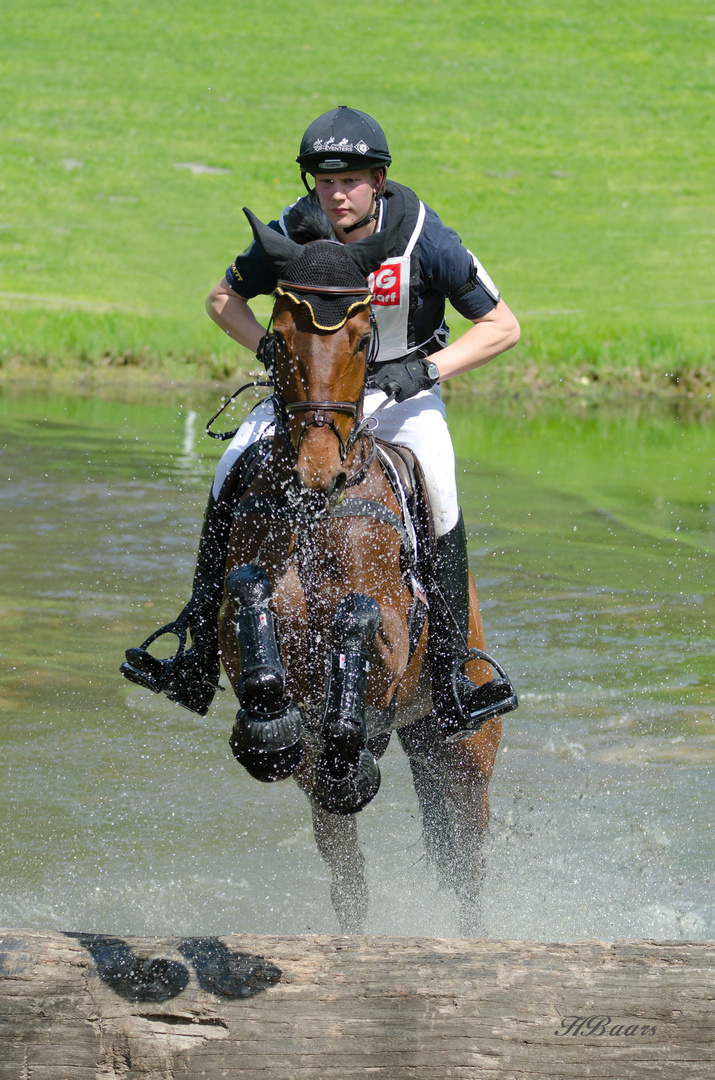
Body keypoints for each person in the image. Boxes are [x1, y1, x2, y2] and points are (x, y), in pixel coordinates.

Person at [121, 106, 520, 735]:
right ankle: (195, 647)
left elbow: (503, 326)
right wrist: (269, 351)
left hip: (401, 392)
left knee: (439, 489)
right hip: (309, 395)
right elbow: (221, 299)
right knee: (229, 468)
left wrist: (426, 372)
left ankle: (451, 668)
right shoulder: (293, 230)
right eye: (324, 180)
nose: (336, 193)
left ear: (379, 181)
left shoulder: (424, 236)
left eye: (352, 179)